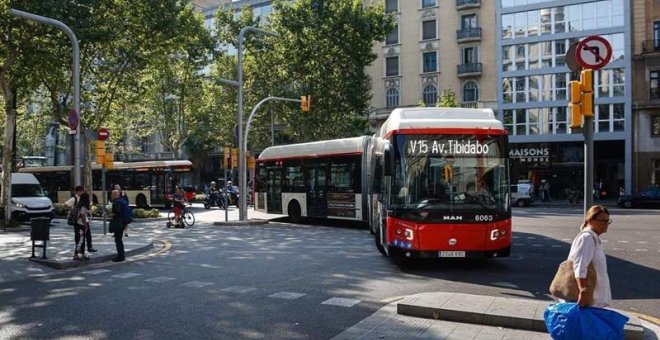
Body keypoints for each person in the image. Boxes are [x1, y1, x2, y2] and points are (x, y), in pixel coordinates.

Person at [567, 205, 612, 308]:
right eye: (602, 221)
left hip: (595, 299)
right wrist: (583, 291)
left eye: (607, 221)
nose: (606, 224)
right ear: (590, 220)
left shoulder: (594, 237)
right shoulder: (587, 238)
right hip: (589, 299)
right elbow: (579, 266)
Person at [65, 186, 97, 253]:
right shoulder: (75, 200)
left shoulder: (80, 203)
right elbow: (82, 215)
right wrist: (85, 225)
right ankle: (79, 254)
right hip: (81, 223)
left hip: (80, 222)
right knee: (80, 239)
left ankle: (80, 253)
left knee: (81, 239)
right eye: (82, 191)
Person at [73, 193, 92, 260]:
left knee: (80, 240)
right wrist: (86, 225)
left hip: (77, 224)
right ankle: (77, 255)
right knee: (81, 240)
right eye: (88, 198)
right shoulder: (83, 206)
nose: (89, 199)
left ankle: (80, 254)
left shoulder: (79, 205)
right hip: (81, 225)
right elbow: (83, 216)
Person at [110, 189, 125, 262]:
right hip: (122, 223)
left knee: (118, 240)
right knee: (119, 239)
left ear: (115, 195)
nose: (111, 195)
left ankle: (120, 256)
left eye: (112, 194)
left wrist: (111, 214)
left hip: (118, 223)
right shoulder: (121, 201)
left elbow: (117, 213)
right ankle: (121, 255)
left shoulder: (116, 203)